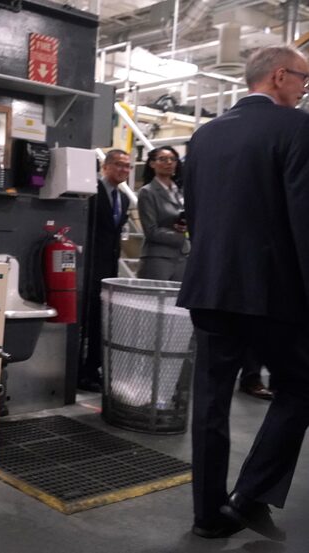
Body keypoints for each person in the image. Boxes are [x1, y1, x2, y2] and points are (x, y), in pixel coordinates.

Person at [178, 45, 309, 541]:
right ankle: (249, 495)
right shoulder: (297, 128)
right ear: (279, 76)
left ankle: (208, 517)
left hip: (209, 286)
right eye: (302, 80)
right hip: (274, 293)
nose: (303, 89)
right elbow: (304, 220)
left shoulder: (204, 135)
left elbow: (196, 214)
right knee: (301, 387)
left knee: (210, 403)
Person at [79, 149, 132, 393]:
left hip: (108, 268)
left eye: (128, 166)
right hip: (88, 266)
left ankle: (93, 370)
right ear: (106, 166)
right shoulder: (92, 193)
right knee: (87, 319)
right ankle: (82, 371)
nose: (124, 170)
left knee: (100, 320)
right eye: (119, 165)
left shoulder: (124, 199)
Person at [137, 146, 189, 281]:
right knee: (154, 301)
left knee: (177, 301)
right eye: (163, 159)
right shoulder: (147, 192)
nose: (169, 163)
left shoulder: (181, 191)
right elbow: (151, 231)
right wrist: (182, 236)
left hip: (183, 257)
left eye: (173, 159)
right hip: (158, 258)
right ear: (152, 163)